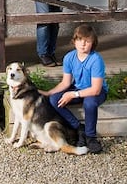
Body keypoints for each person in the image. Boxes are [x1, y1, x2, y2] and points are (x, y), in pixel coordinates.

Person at [42, 24, 107, 154]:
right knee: (55, 99)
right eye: (79, 40)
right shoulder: (69, 57)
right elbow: (65, 83)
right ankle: (79, 128)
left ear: (93, 43)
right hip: (78, 88)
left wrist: (73, 94)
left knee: (90, 103)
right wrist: (49, 93)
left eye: (87, 41)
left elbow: (95, 90)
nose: (83, 44)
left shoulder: (96, 59)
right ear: (74, 41)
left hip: (96, 91)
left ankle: (90, 137)